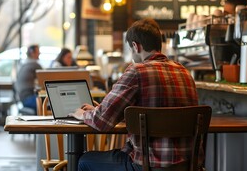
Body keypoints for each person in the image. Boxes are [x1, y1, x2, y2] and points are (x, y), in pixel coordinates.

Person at [70, 18, 200, 171]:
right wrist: (106, 111)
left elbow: (101, 122)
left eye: (130, 49)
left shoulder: (137, 71)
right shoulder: (184, 72)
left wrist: (81, 114)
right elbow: (158, 111)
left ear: (135, 46)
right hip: (188, 165)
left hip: (146, 165)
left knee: (85, 160)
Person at [14, 44, 43, 113]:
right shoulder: (34, 64)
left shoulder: (24, 63)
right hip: (28, 98)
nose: (39, 53)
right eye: (38, 51)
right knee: (49, 103)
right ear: (32, 53)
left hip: (22, 98)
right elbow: (45, 79)